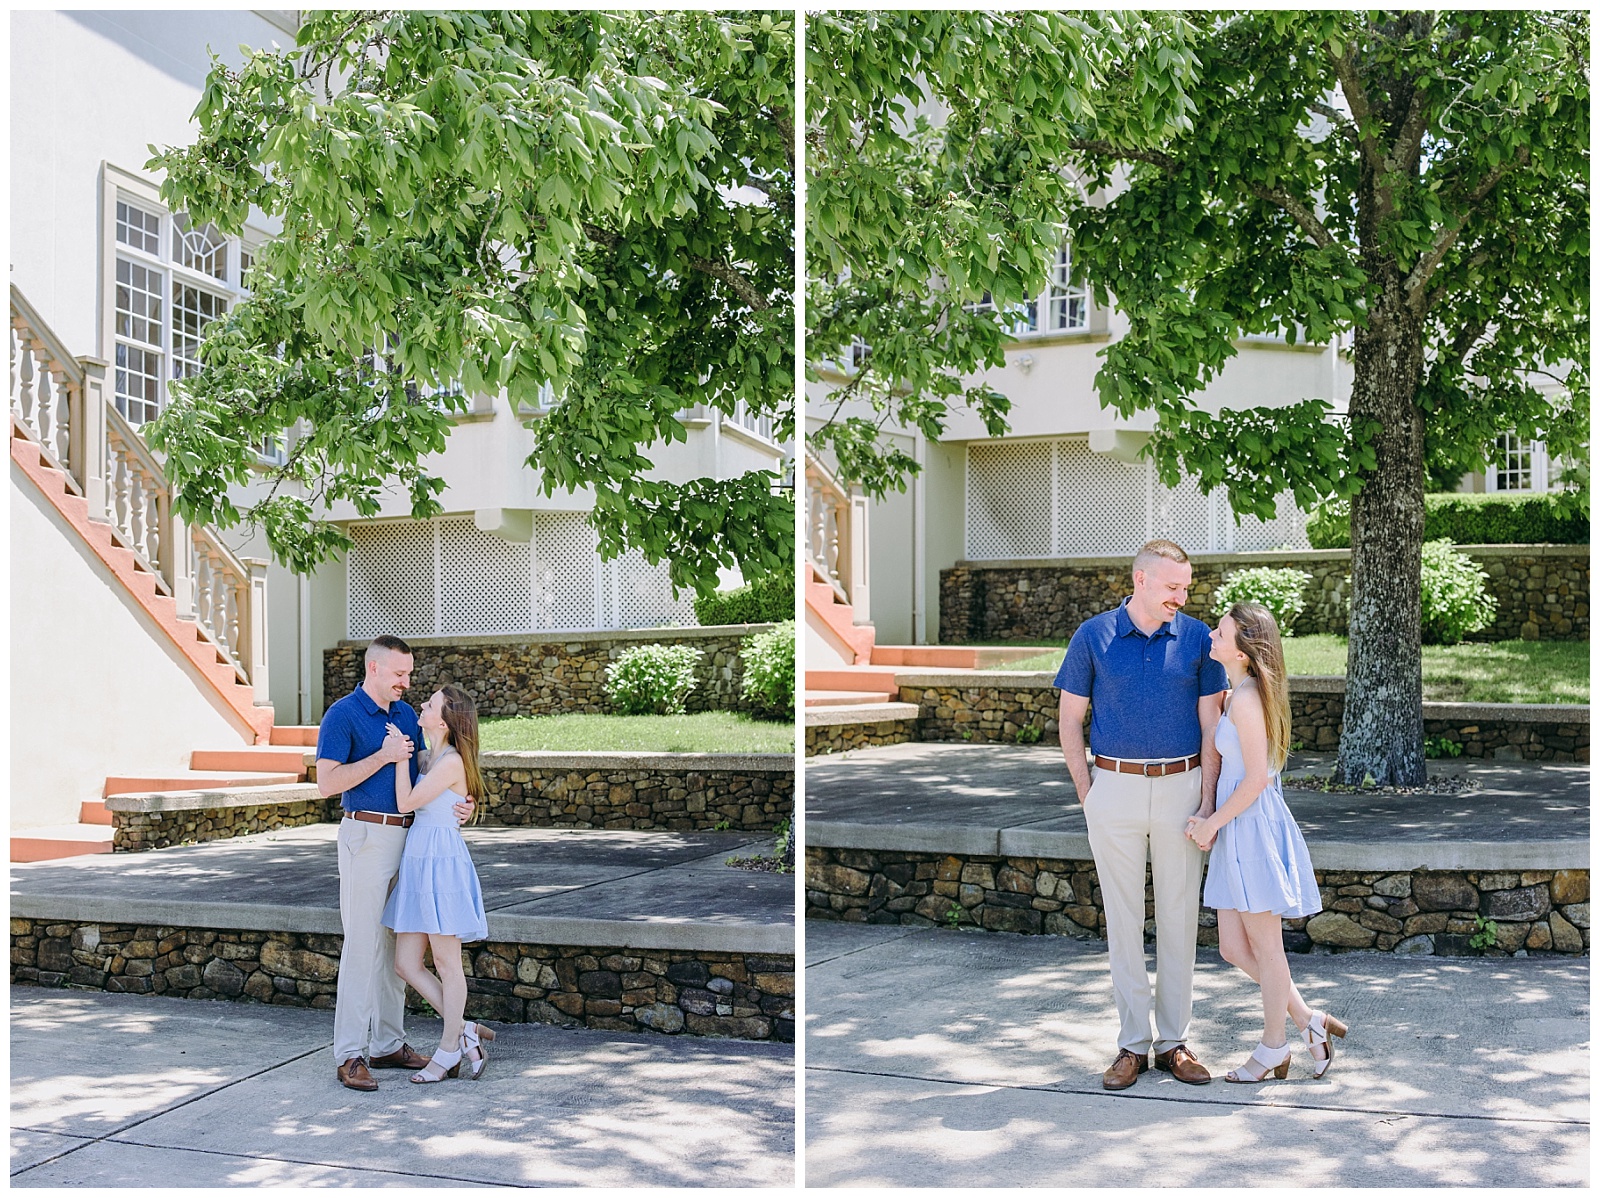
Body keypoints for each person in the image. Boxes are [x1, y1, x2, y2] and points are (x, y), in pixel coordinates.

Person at [1056, 539, 1228, 1091]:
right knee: (1124, 923)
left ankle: (1174, 1043)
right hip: (1114, 787)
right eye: (1173, 586)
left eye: (1187, 586)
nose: (1183, 595)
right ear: (1141, 580)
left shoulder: (1200, 638)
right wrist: (1089, 791)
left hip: (1182, 789)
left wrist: (1207, 801)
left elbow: (1212, 728)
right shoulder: (1094, 635)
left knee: (1179, 919)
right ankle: (1132, 1045)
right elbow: (1068, 721)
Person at [1185, 602, 1347, 1081]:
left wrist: (1212, 822)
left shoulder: (1251, 697)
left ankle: (1273, 1047)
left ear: (1242, 650)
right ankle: (1308, 1020)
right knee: (1234, 948)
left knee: (1268, 948)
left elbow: (1256, 778)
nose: (1212, 636)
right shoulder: (1238, 694)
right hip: (1238, 826)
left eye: (1221, 632)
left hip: (1250, 828)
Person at [316, 635, 472, 1092]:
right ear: (375, 670)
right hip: (365, 835)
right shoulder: (342, 714)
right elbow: (327, 783)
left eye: (409, 673)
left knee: (395, 947)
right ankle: (349, 1053)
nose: (407, 682)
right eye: (400, 674)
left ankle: (387, 1042)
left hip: (411, 840)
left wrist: (466, 801)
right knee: (363, 945)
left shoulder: (406, 714)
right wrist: (381, 756)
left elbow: (437, 766)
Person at [383, 684, 495, 1083]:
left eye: (429, 704)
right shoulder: (430, 756)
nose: (422, 705)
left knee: (447, 962)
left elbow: (405, 803)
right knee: (406, 963)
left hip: (441, 863)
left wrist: (399, 759)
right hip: (418, 858)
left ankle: (448, 1051)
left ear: (445, 722)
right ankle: (464, 1030)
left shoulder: (448, 761)